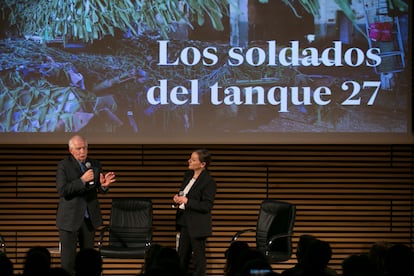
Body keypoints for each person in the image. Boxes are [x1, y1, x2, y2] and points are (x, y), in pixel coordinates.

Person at [56, 135, 116, 275]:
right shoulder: (64, 166)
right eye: (79, 148)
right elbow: (62, 190)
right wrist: (82, 180)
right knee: (68, 262)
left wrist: (104, 186)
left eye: (85, 148)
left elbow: (99, 189)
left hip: (89, 219)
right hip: (69, 219)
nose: (83, 151)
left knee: (88, 262)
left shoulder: (94, 164)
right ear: (71, 150)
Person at [173, 149, 216, 276]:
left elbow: (206, 206)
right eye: (190, 158)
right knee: (181, 257)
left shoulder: (209, 182)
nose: (189, 161)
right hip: (185, 222)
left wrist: (187, 201)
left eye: (193, 159)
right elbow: (184, 194)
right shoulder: (188, 176)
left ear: (202, 164)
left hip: (198, 224)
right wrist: (178, 199)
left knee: (198, 259)